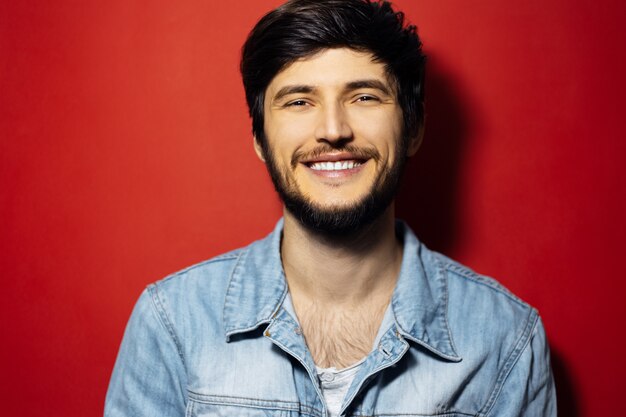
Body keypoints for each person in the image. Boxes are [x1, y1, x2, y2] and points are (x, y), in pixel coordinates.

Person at [104, 1, 556, 416]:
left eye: (364, 96)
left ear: (413, 128)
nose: (334, 130)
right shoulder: (173, 324)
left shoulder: (507, 340)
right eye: (300, 101)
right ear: (260, 139)